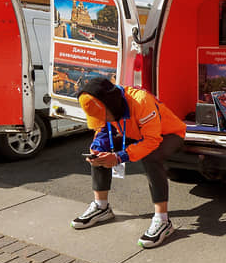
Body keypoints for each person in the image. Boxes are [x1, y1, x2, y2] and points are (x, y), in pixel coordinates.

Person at [71, 77, 186, 248]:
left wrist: (119, 157)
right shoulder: (104, 104)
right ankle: (101, 207)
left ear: (111, 104)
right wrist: (96, 150)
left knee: (151, 157)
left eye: (104, 116)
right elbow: (102, 130)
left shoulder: (141, 101)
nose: (106, 120)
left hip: (168, 134)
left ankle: (163, 221)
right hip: (136, 134)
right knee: (100, 153)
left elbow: (152, 140)